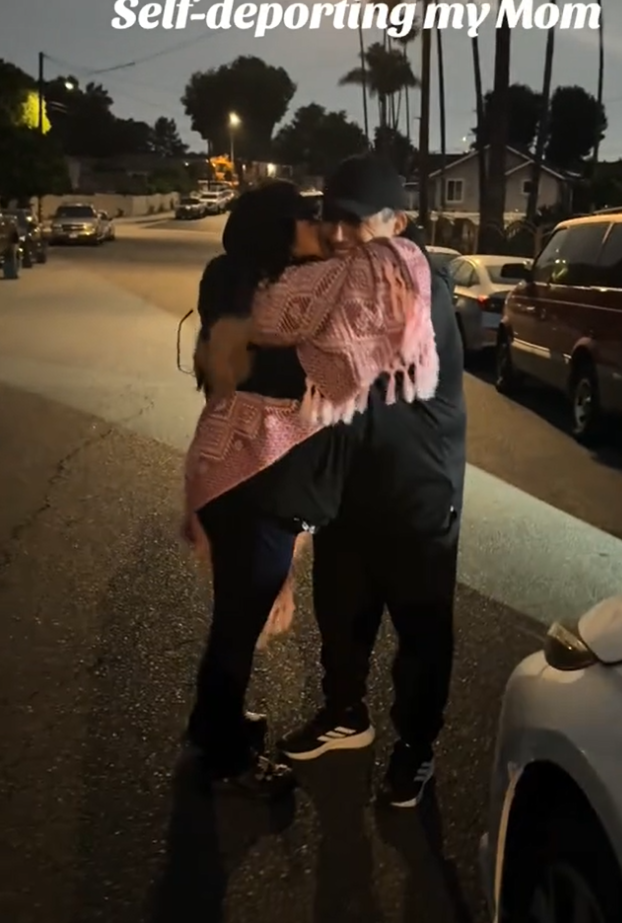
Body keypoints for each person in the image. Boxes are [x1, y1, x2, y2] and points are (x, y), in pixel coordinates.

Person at [183, 179, 439, 802]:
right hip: (252, 481)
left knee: (232, 620)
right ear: (276, 227)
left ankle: (211, 723)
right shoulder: (255, 290)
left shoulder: (258, 281)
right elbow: (316, 360)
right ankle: (225, 757)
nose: (319, 226)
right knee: (237, 628)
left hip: (247, 479)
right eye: (305, 217)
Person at [278, 155, 467, 808]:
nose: (339, 233)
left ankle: (415, 746)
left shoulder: (417, 288)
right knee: (341, 617)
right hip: (350, 498)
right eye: (332, 217)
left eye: (355, 222)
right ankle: (345, 715)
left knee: (420, 634)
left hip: (417, 499)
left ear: (399, 224)